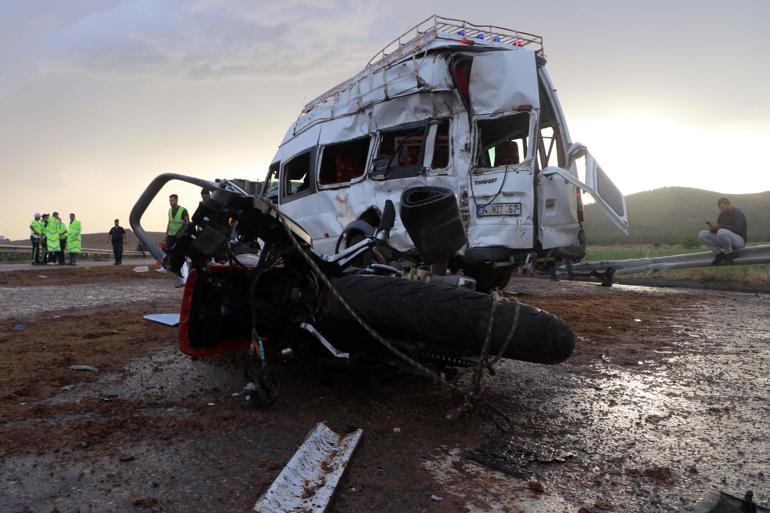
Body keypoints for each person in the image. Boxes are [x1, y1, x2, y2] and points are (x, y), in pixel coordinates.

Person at [698, 197, 747, 265]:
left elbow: (737, 228)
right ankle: (719, 254)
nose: (721, 209)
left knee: (721, 232)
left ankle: (729, 254)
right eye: (720, 208)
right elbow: (719, 230)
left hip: (739, 241)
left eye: (722, 207)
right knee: (702, 234)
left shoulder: (737, 212)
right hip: (726, 240)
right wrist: (713, 229)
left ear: (729, 205)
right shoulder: (721, 215)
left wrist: (719, 227)